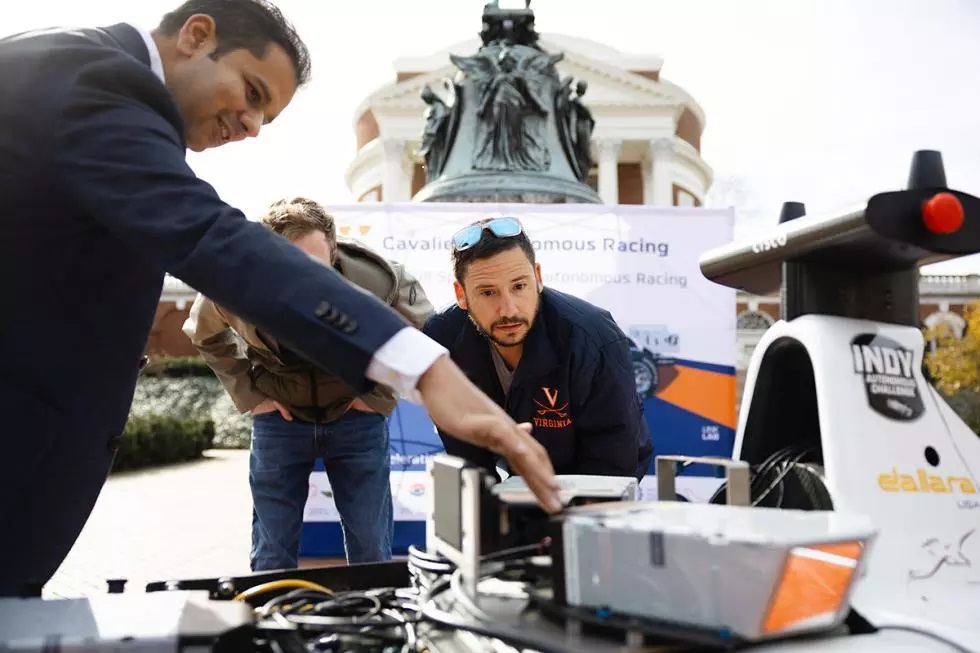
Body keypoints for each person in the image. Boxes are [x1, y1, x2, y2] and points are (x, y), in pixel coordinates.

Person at [0, 0, 560, 595]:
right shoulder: (93, 77)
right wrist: (424, 370)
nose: (250, 126)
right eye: (253, 92)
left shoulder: (91, 82)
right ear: (196, 35)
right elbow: (210, 238)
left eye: (263, 115)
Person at [184, 197, 434, 570]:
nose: (304, 281)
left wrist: (380, 393)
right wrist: (251, 396)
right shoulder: (233, 282)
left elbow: (420, 329)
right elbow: (204, 334)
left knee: (371, 548)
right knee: (272, 551)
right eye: (289, 266)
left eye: (315, 267)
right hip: (279, 420)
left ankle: (370, 626)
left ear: (333, 251)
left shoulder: (381, 279)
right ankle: (268, 623)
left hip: (356, 417)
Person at [423, 217, 654, 481]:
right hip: (518, 473)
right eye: (488, 293)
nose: (508, 309)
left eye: (519, 286)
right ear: (461, 294)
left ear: (538, 278)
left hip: (601, 471)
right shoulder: (442, 339)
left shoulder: (594, 337)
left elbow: (613, 459)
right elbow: (466, 453)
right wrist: (487, 511)